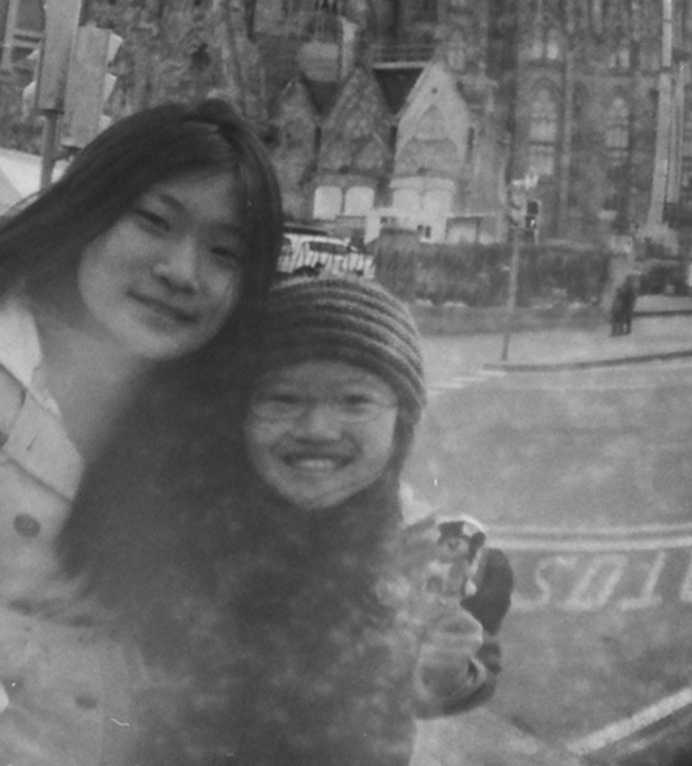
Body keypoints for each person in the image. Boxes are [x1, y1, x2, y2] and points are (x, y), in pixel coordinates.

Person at [0, 99, 284, 766]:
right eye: (155, 221)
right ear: (91, 210)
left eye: (225, 253)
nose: (183, 271)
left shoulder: (228, 406)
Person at [60, 276, 505, 766]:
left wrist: (447, 671)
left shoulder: (432, 551)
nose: (317, 428)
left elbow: (445, 684)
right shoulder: (187, 530)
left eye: (355, 401)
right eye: (282, 400)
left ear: (401, 422)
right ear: (239, 416)